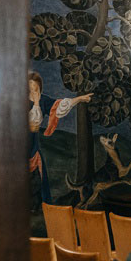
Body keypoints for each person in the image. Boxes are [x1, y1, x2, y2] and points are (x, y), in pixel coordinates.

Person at [28, 71, 91, 205]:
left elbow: (59, 106)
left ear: (39, 88)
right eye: (30, 89)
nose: (33, 92)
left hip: (32, 151)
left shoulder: (42, 100)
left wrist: (79, 99)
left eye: (35, 89)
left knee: (37, 186)